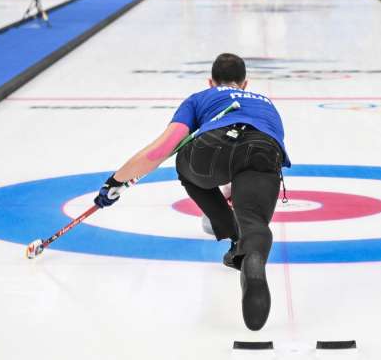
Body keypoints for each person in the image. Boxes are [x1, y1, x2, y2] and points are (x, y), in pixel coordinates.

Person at [94, 53, 290, 331]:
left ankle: (235, 237)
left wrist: (115, 182)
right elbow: (249, 153)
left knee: (188, 169)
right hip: (262, 148)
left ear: (211, 82)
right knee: (255, 222)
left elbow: (161, 149)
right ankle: (252, 254)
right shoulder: (266, 104)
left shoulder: (200, 98)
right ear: (245, 84)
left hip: (210, 150)